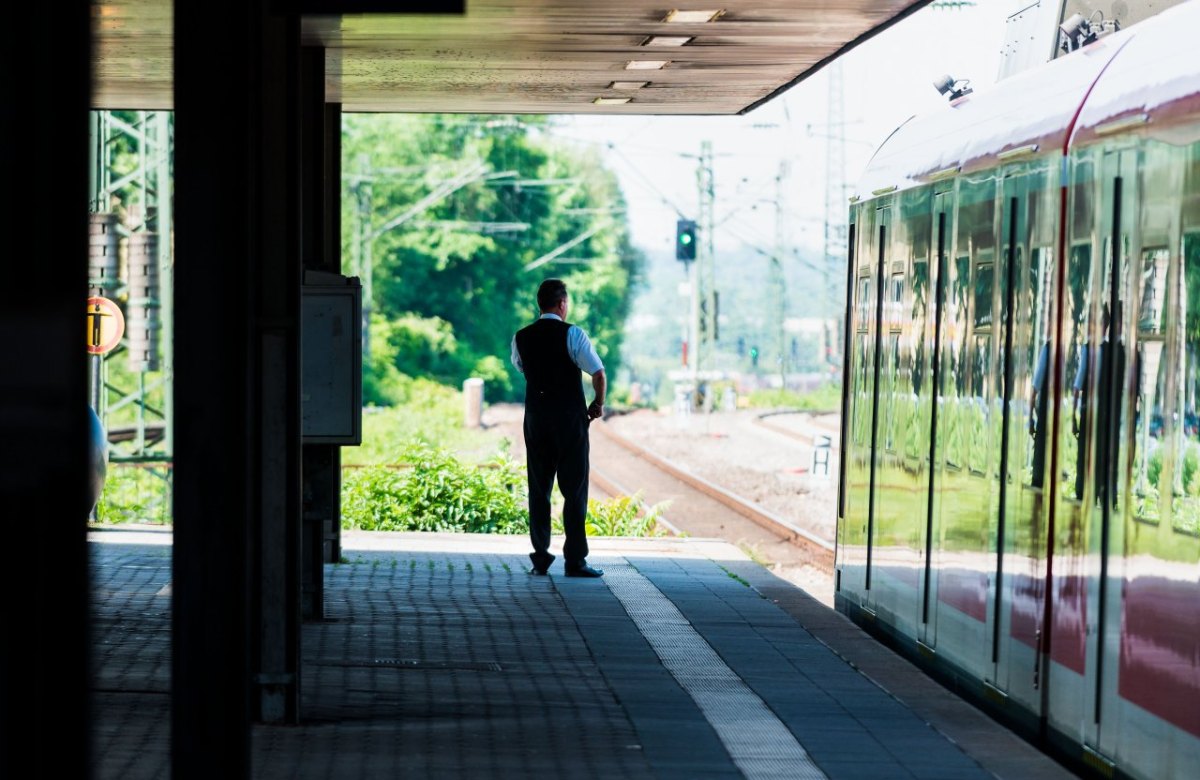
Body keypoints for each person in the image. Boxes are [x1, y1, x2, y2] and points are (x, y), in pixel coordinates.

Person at [511, 279, 606, 577]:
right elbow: (598, 373)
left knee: (539, 488)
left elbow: (522, 368)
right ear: (562, 304)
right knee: (574, 489)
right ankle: (575, 560)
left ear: (539, 304)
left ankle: (540, 556)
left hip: (537, 420)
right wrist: (597, 404)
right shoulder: (573, 334)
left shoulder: (521, 337)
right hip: (569, 422)